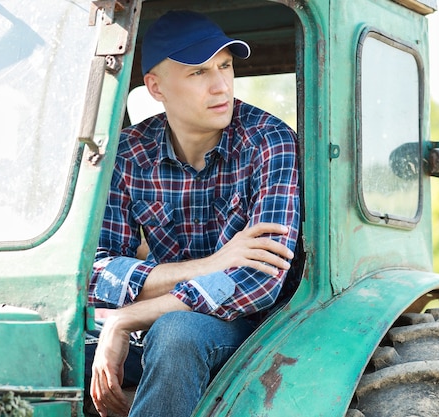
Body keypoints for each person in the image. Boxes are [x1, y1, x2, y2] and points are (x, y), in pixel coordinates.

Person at [86, 10, 301, 417]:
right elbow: (93, 273)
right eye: (199, 72)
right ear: (155, 87)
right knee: (58, 343)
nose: (221, 86)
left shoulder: (269, 142)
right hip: (164, 310)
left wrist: (126, 317)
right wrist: (211, 265)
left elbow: (258, 281)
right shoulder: (128, 154)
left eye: (225, 66)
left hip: (254, 321)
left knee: (176, 333)